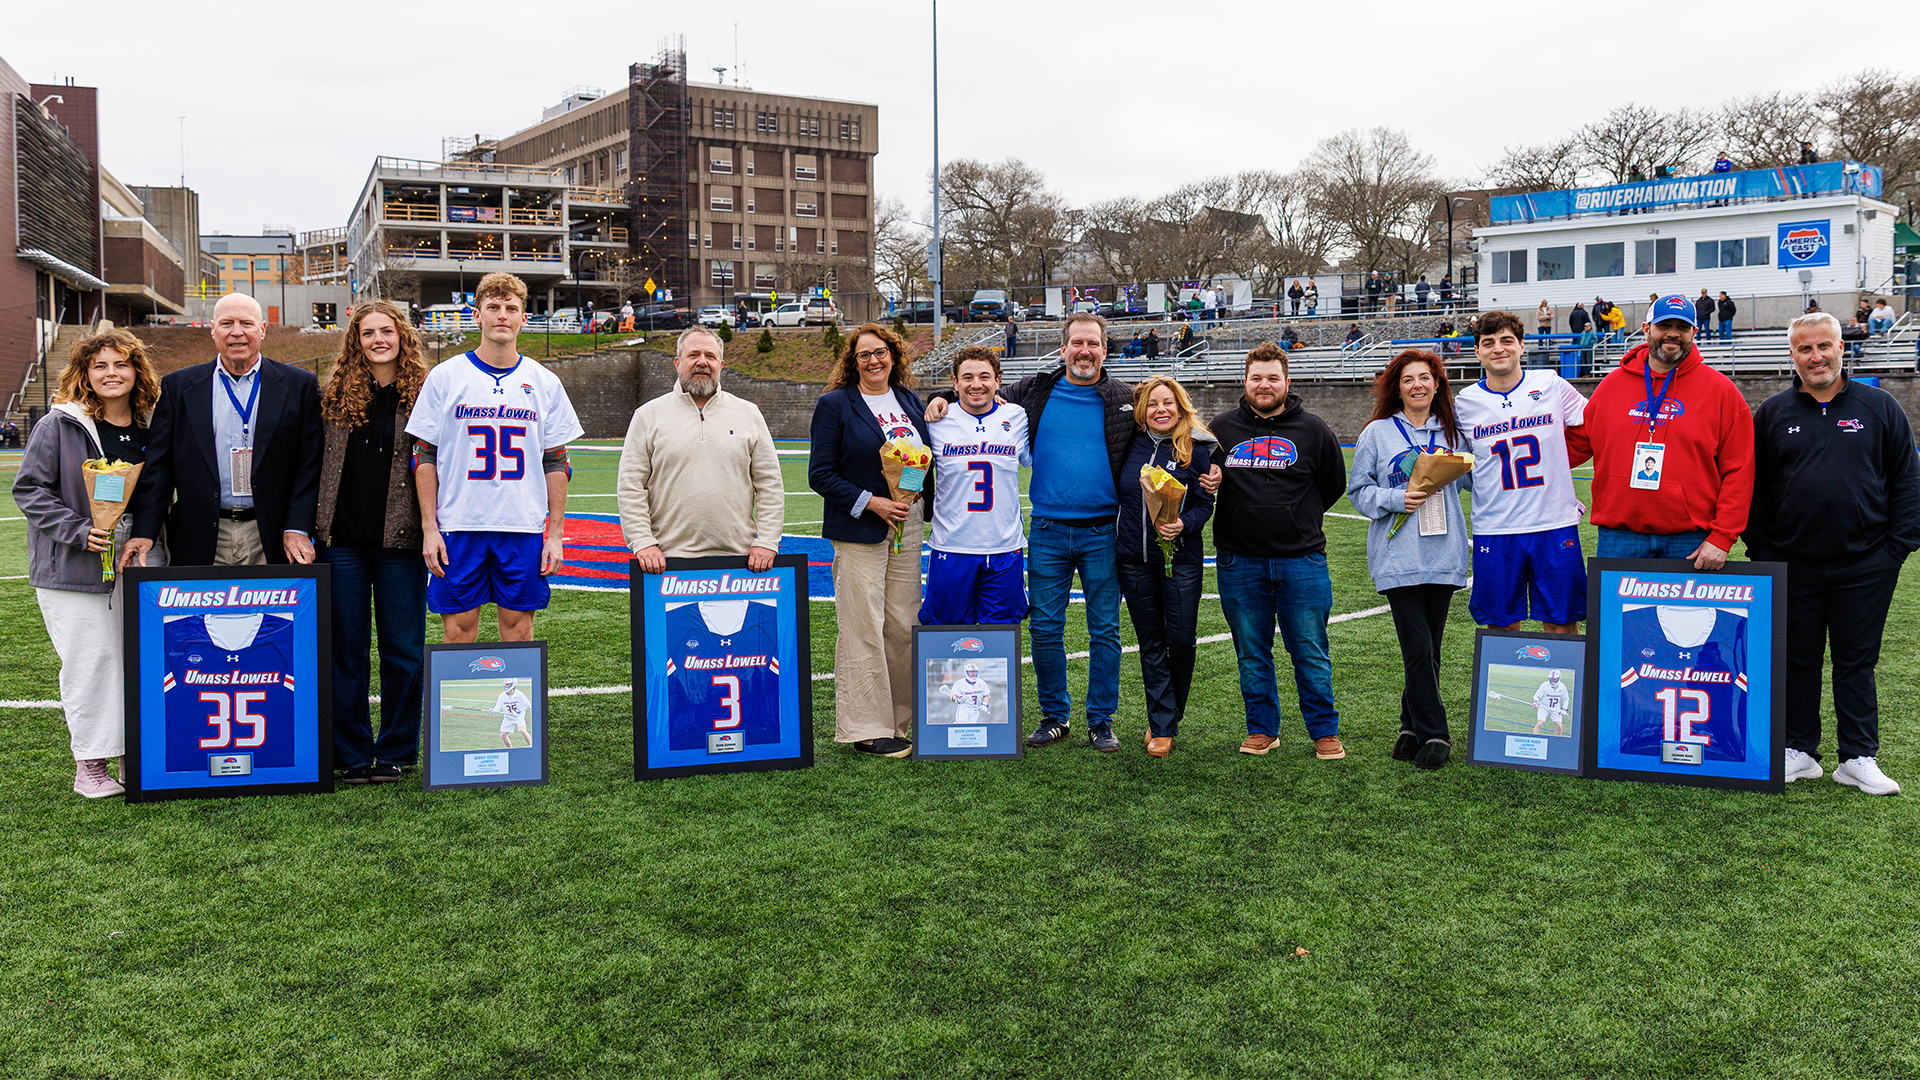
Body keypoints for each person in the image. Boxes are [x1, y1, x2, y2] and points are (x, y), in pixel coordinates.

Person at [925, 312, 1138, 753]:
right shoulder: (1035, 392)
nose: (1084, 351)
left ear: (1104, 349)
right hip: (1046, 529)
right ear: (1062, 349)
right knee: (1043, 627)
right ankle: (1054, 716)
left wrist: (1206, 458)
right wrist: (939, 396)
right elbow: (976, 392)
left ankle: (1101, 719)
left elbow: (1169, 422)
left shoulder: (1123, 397)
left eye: (1093, 344)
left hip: (1102, 529)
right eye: (1076, 343)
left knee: (1105, 629)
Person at [1746, 312, 1920, 795]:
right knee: (1796, 660)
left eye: (1824, 346)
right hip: (1791, 562)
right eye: (1805, 349)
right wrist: (1762, 550)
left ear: (1842, 348)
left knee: (1855, 662)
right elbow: (1754, 489)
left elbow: (1907, 480)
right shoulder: (1773, 412)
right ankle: (1799, 751)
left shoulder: (1880, 406)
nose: (1816, 356)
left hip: (1866, 564)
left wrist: (1896, 550)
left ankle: (1858, 756)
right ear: (1792, 356)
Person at [15, 330, 164, 798]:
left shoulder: (151, 424)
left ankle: (133, 755)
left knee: (143, 656)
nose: (111, 374)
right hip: (75, 560)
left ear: (137, 370)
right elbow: (30, 490)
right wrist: (81, 532)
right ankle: (91, 765)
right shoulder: (60, 423)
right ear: (84, 373)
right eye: (99, 366)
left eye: (121, 364)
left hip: (142, 551)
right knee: (93, 659)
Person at [408, 273, 583, 644]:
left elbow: (556, 461)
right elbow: (424, 456)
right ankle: (460, 706)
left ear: (523, 318)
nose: (502, 315)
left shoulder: (544, 381)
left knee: (519, 630)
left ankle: (515, 705)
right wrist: (429, 527)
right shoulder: (446, 376)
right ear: (477, 315)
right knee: (457, 630)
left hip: (522, 524)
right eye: (493, 307)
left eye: (511, 308)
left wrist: (555, 534)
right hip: (459, 523)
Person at [1209, 342, 1347, 760]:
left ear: (1287, 382)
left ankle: (1324, 731)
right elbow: (1206, 477)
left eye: (1272, 378)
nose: (1264, 385)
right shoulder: (1221, 429)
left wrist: (1293, 517)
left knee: (1309, 649)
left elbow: (1332, 486)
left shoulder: (1314, 430)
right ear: (1244, 382)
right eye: (1256, 378)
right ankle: (1263, 728)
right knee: (1251, 650)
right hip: (1239, 559)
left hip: (1301, 559)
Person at [314, 299, 428, 784]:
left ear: (402, 335)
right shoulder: (335, 392)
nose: (378, 339)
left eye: (387, 330)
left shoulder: (426, 392)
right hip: (342, 542)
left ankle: (396, 750)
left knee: (403, 648)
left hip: (401, 540)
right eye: (367, 333)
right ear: (355, 341)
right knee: (345, 649)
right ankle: (352, 752)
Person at [808, 323, 933, 758]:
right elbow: (820, 474)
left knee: (902, 624)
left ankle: (899, 721)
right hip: (860, 527)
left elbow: (918, 458)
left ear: (894, 356)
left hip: (908, 523)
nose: (874, 361)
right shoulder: (835, 405)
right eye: (864, 355)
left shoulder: (909, 402)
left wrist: (905, 494)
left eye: (881, 352)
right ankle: (865, 727)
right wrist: (874, 503)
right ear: (852, 362)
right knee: (863, 626)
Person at [124, 293, 322, 569]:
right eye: (227, 323)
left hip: (273, 535)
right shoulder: (178, 387)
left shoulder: (300, 386)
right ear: (213, 330)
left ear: (262, 329)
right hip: (200, 535)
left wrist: (298, 527)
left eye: (246, 323)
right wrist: (144, 532)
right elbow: (160, 467)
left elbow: (310, 465)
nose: (237, 332)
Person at [1347, 349, 1473, 769]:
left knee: (1430, 649)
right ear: (1396, 388)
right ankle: (1436, 733)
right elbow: (1359, 492)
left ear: (1437, 385)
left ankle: (1408, 728)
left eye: (1425, 378)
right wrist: (1394, 498)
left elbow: (1478, 481)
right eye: (1408, 379)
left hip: (1444, 551)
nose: (1417, 385)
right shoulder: (1378, 433)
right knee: (1417, 648)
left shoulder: (1455, 432)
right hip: (1397, 556)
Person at [1566, 295, 1753, 568]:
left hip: (1692, 541)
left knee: (1688, 614)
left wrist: (1722, 537)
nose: (1673, 334)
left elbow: (1740, 470)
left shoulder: (1721, 392)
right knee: (1615, 612)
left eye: (1683, 327)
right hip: (1619, 538)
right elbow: (1575, 445)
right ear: (1646, 329)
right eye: (1664, 325)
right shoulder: (1611, 386)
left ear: (1694, 333)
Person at [1453, 311, 1590, 633]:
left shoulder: (1551, 384)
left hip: (1553, 523)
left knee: (1561, 622)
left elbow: (1596, 424)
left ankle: (1562, 685)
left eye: (1506, 341)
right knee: (1500, 626)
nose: (1498, 349)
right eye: (1488, 343)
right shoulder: (1464, 403)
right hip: (1496, 527)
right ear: (1477, 351)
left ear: (1522, 346)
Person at [620, 325, 783, 568]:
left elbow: (769, 483)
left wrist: (768, 541)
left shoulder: (748, 413)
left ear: (721, 364)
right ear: (677, 363)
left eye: (710, 356)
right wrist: (643, 541)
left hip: (740, 561)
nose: (702, 362)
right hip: (667, 561)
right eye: (693, 354)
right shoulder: (647, 416)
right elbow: (631, 485)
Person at [1115, 377, 1215, 757]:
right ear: (1143, 410)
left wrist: (1183, 525)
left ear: (1180, 407)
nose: (1161, 409)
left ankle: (1167, 715)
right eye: (1153, 403)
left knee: (1181, 641)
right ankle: (1162, 723)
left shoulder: (1198, 448)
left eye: (1168, 403)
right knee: (1151, 643)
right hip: (1133, 559)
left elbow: (1205, 504)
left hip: (1181, 561)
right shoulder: (1128, 444)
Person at [920, 345, 1029, 629]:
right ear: (954, 383)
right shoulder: (936, 421)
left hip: (1005, 547)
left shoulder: (1016, 417)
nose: (976, 384)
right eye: (967, 377)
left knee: (1003, 636)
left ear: (998, 381)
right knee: (948, 635)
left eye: (984, 376)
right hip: (952, 547)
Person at [492, 678, 533, 748]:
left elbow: (527, 704)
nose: (506, 686)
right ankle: (510, 749)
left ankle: (532, 745)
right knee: (503, 735)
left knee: (522, 730)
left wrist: (518, 711)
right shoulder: (502, 696)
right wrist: (493, 710)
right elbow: (497, 708)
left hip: (519, 716)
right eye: (505, 685)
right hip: (508, 718)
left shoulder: (519, 694)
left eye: (508, 684)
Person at [1533, 671, 1570, 736]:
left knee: (1559, 726)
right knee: (1539, 723)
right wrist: (1536, 702)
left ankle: (1558, 741)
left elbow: (1566, 698)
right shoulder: (1544, 685)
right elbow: (1536, 696)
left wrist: (1564, 709)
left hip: (1555, 708)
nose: (1553, 680)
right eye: (1551, 679)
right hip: (1544, 707)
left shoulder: (1562, 686)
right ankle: (1535, 738)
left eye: (1554, 679)